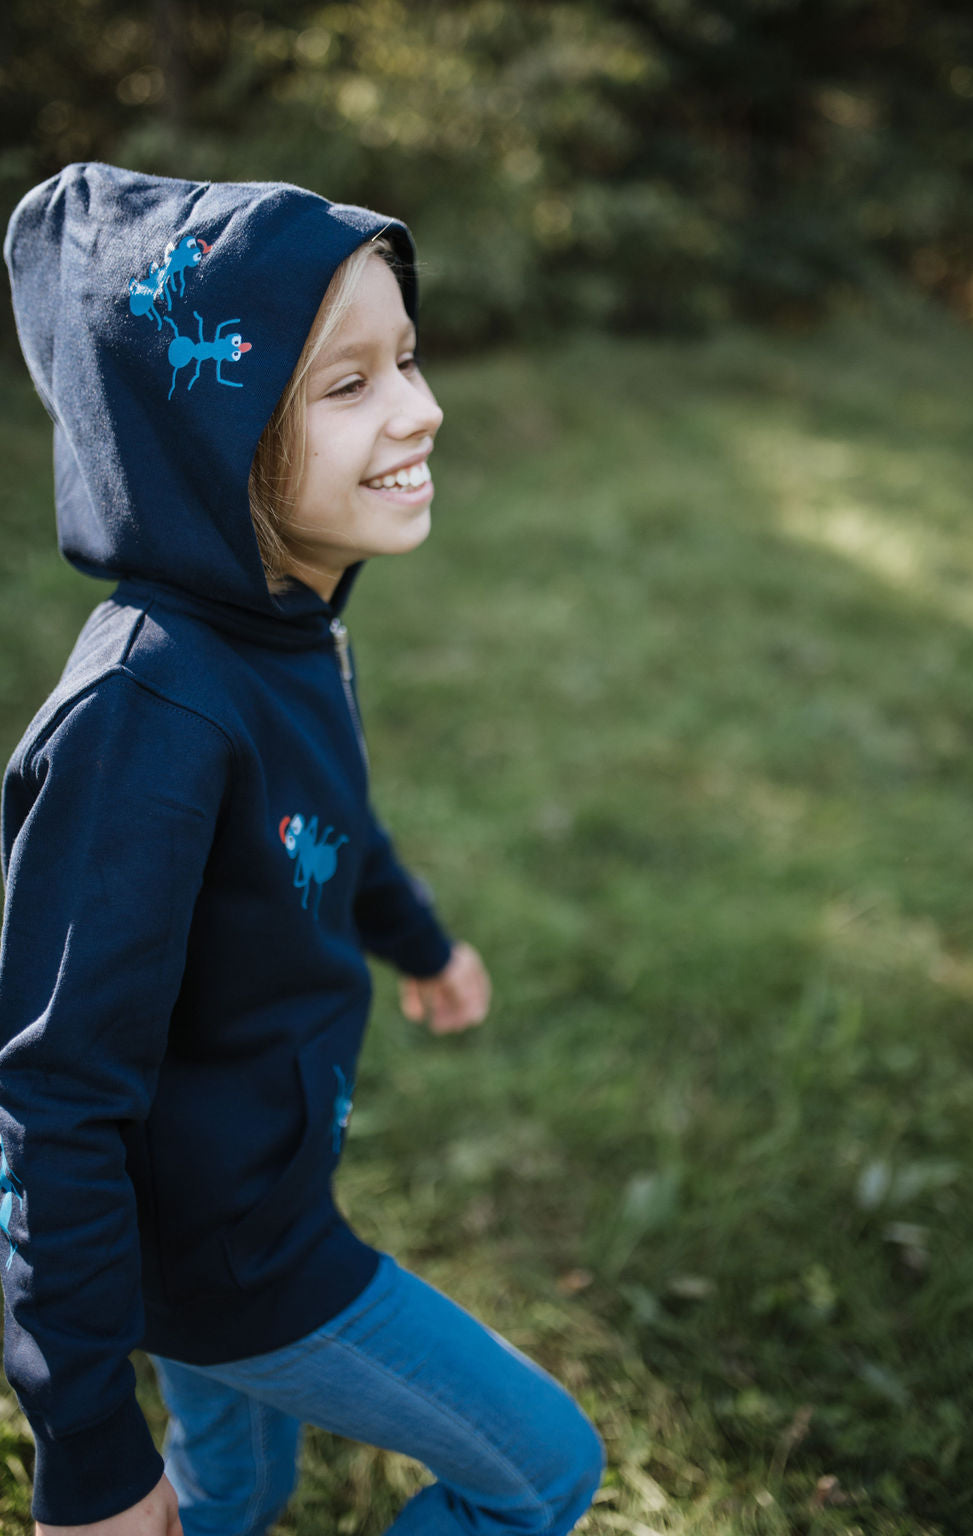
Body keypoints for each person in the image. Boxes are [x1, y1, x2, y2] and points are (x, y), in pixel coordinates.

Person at [0, 162, 604, 1536]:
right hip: (236, 1249)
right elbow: (50, 1099)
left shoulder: (283, 626)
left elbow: (324, 821)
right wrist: (90, 1451)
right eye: (349, 385)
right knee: (544, 1472)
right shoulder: (144, 722)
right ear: (204, 445)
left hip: (238, 1192)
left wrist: (420, 939)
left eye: (408, 356)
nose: (423, 407)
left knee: (238, 1496)